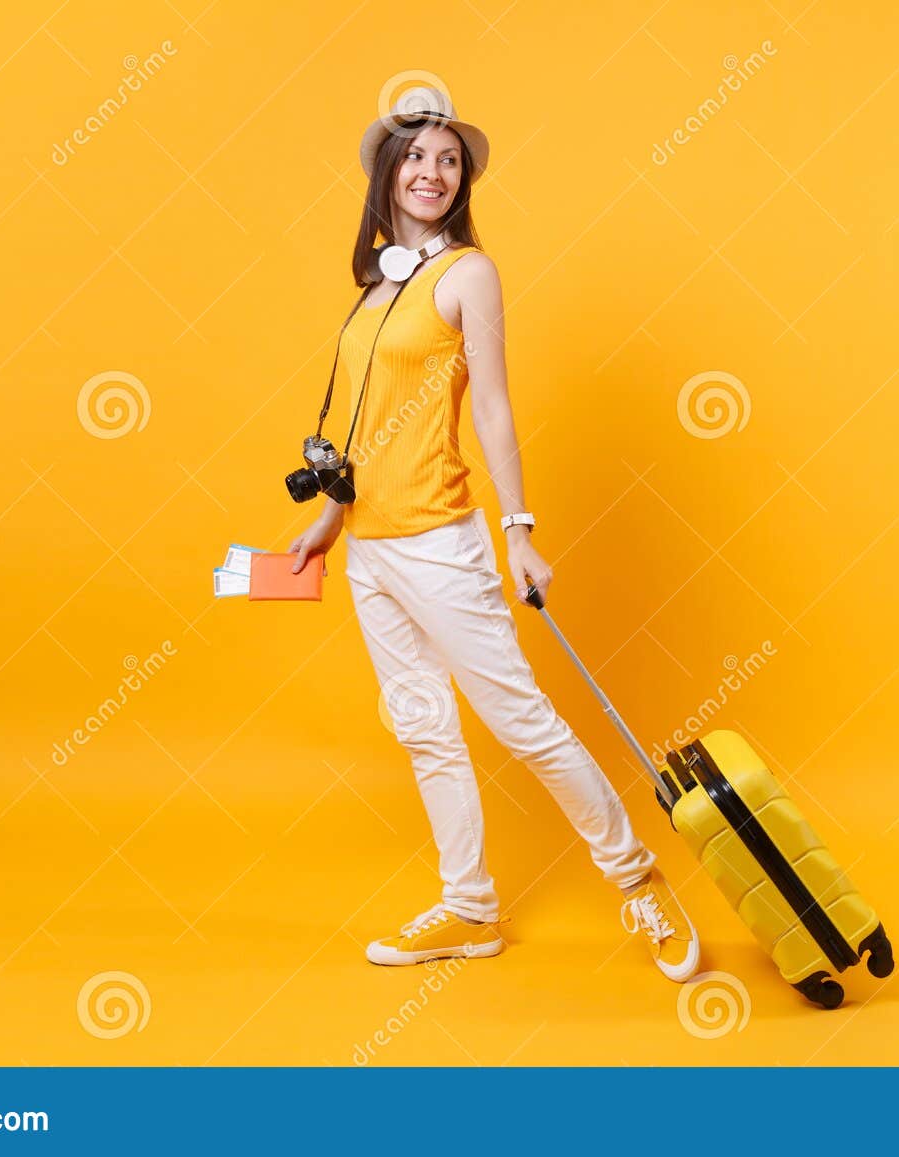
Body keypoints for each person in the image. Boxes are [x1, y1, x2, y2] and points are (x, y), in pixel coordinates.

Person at [287, 86, 700, 982]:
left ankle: (638, 876)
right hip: (371, 547)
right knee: (424, 725)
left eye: (448, 159)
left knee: (523, 720)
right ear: (385, 173)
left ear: (461, 179)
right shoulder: (376, 283)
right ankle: (469, 906)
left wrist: (518, 530)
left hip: (441, 539)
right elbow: (365, 425)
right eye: (416, 156)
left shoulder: (467, 274)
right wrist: (329, 521)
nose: (432, 172)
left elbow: (497, 409)